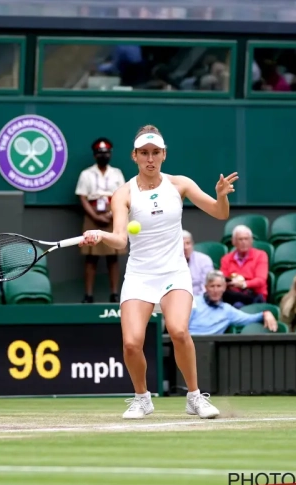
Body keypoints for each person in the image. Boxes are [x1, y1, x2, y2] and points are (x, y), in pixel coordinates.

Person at [80, 124, 238, 420]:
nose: (149, 159)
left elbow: (220, 213)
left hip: (174, 273)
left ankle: (194, 396)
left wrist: (221, 196)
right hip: (140, 276)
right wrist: (100, 235)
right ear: (134, 156)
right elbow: (120, 241)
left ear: (164, 155)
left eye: (155, 153)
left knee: (178, 330)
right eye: (144, 153)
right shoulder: (123, 193)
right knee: (131, 343)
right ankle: (142, 398)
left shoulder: (180, 185)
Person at [75, 138, 127, 303]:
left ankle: (114, 294)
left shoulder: (116, 173)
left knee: (113, 257)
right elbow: (82, 197)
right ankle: (88, 295)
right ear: (95, 155)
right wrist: (96, 216)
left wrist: (112, 214)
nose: (103, 156)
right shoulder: (86, 174)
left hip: (112, 215)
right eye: (100, 153)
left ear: (110, 154)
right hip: (93, 215)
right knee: (91, 258)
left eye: (106, 153)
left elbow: (123, 195)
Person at [189, 270, 277, 335]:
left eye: (219, 286)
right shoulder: (193, 302)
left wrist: (265, 314)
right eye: (212, 286)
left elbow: (248, 318)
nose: (215, 290)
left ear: (224, 287)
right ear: (206, 287)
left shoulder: (227, 310)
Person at [219, 225, 268, 307]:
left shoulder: (261, 255)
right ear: (233, 242)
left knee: (237, 305)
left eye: (246, 239)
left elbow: (261, 280)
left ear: (251, 241)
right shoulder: (226, 259)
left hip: (254, 295)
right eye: (240, 239)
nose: (244, 242)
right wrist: (230, 283)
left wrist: (243, 284)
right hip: (233, 295)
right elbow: (222, 279)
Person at [183, 230, 213, 295]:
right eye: (182, 244)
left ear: (192, 244)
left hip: (200, 299)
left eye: (188, 243)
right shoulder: (170, 263)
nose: (185, 247)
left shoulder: (204, 260)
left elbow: (207, 287)